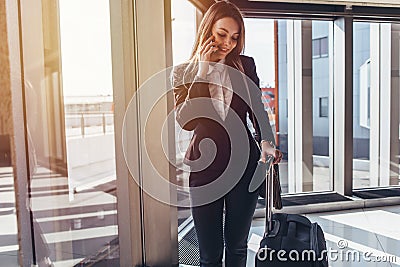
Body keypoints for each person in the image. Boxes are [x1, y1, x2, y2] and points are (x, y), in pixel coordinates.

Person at [171, 1, 282, 266]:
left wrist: (266, 142)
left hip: (244, 166)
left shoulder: (245, 65)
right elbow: (186, 120)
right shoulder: (183, 72)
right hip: (205, 170)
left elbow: (257, 107)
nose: (228, 43)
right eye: (221, 34)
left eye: (234, 37)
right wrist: (202, 72)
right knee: (209, 255)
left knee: (237, 247)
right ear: (207, 29)